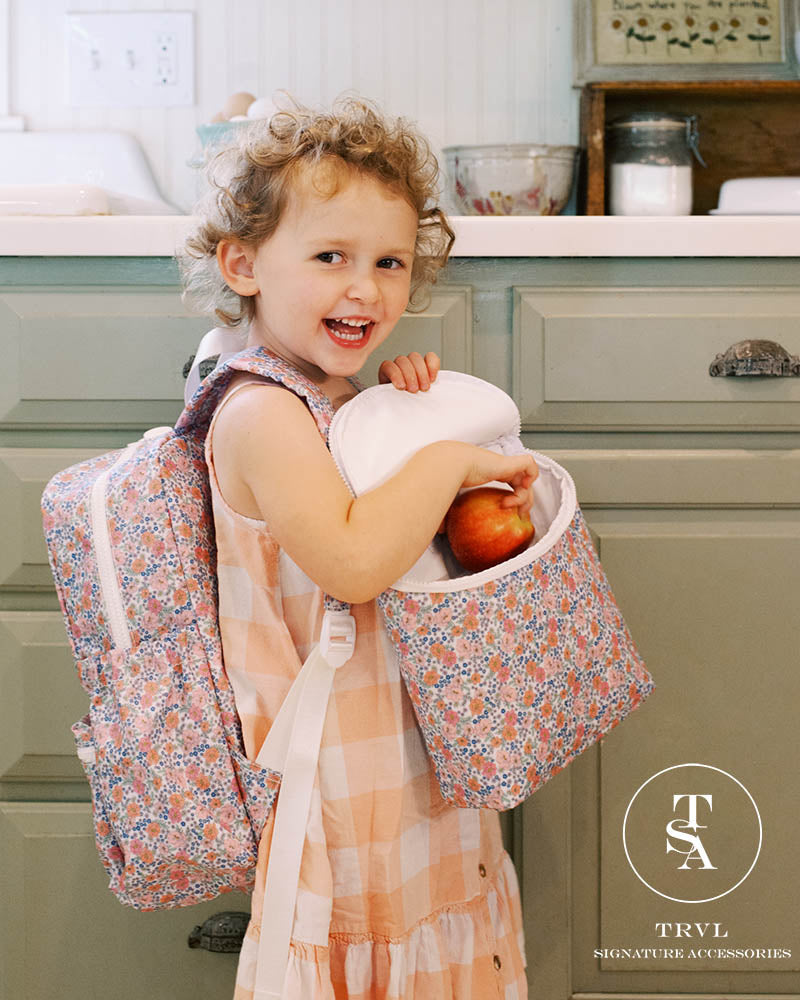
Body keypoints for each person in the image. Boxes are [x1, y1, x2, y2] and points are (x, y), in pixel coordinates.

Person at [178, 96, 537, 1000]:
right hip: (340, 781)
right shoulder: (260, 411)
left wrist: (396, 416)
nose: (367, 289)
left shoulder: (318, 397)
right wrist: (449, 457)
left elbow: (386, 521)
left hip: (399, 754)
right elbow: (352, 562)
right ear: (244, 262)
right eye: (330, 257)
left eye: (390, 263)